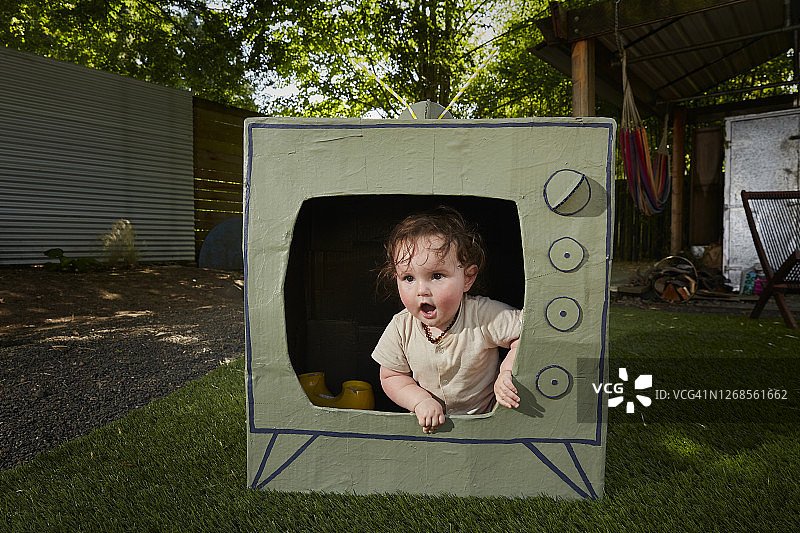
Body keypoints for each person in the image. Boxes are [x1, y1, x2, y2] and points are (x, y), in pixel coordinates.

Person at [371, 206, 522, 434]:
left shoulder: (482, 315)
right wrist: (419, 401)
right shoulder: (402, 326)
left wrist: (507, 372)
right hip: (432, 429)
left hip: (487, 425)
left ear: (467, 278)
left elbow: (526, 334)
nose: (422, 290)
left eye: (437, 276)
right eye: (408, 278)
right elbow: (392, 375)